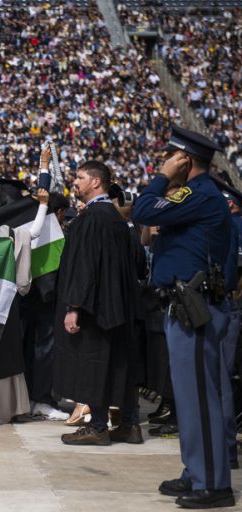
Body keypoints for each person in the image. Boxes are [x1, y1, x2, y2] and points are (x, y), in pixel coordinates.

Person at [133, 125, 238, 509]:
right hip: (184, 307)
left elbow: (144, 210)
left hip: (195, 308)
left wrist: (162, 176)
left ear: (185, 160)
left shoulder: (203, 194)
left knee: (200, 399)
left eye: (171, 156)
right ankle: (196, 472)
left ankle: (213, 483)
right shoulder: (194, 196)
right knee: (190, 399)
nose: (166, 162)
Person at [54, 161, 141, 447]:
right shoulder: (118, 219)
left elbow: (84, 266)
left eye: (79, 177)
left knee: (94, 364)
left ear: (95, 183)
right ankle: (128, 425)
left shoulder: (92, 218)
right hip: (120, 308)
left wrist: (74, 306)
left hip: (96, 309)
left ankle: (99, 426)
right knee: (118, 364)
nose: (75, 182)